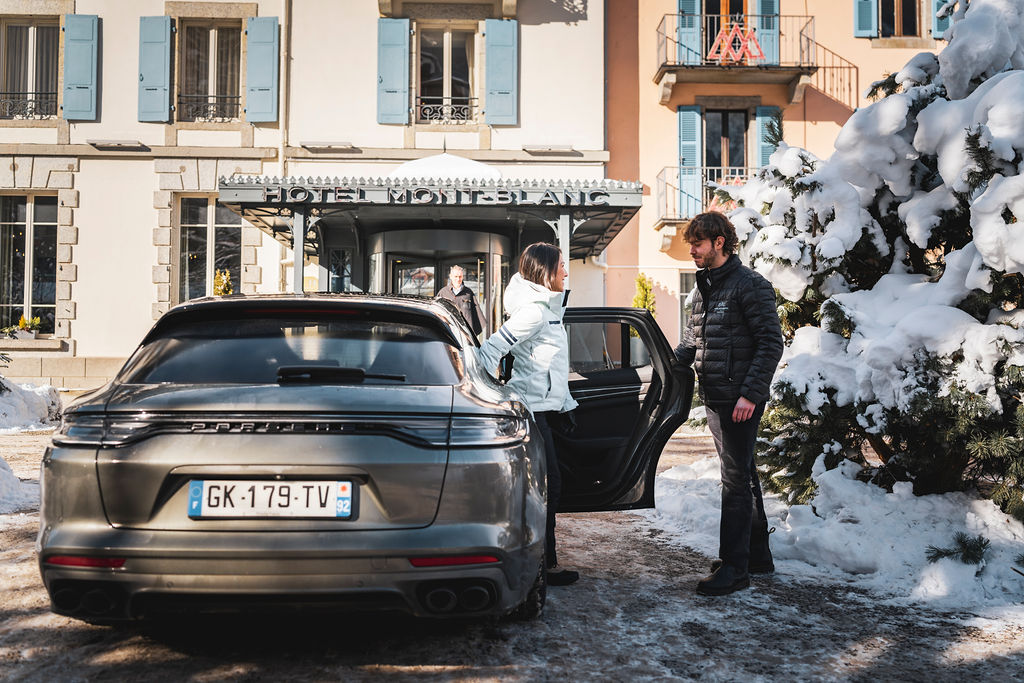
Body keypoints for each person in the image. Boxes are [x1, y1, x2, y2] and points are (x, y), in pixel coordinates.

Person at [674, 212, 784, 597]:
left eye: (698, 244)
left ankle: (735, 569)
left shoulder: (750, 285)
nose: (692, 251)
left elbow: (771, 343)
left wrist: (751, 394)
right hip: (717, 398)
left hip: (740, 400)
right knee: (743, 474)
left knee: (734, 482)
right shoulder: (706, 286)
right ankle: (757, 557)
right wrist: (668, 366)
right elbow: (693, 340)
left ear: (719, 242)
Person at [477, 242, 580, 587]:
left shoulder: (547, 308)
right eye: (562, 266)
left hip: (546, 410)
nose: (566, 272)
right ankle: (542, 567)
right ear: (546, 271)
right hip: (533, 414)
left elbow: (545, 364)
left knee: (550, 486)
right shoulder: (534, 312)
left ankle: (545, 563)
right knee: (547, 489)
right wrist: (483, 391)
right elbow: (490, 349)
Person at [436, 265, 485, 337]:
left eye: (460, 276)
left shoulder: (468, 293)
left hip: (466, 336)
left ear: (463, 277)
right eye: (456, 276)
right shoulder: (443, 293)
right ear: (451, 276)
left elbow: (476, 314)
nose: (458, 279)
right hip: (449, 334)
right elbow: (437, 313)